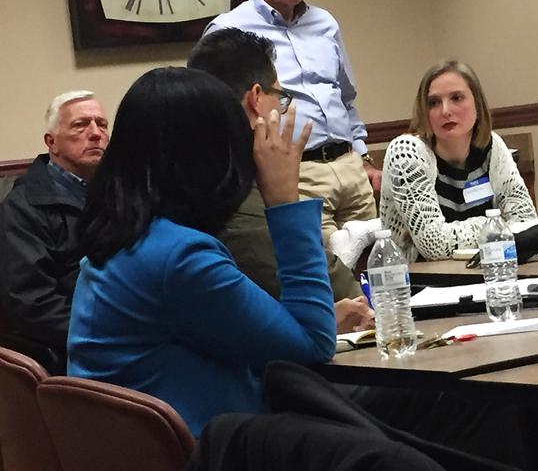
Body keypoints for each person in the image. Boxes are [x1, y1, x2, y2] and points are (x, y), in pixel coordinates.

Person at [67, 67, 336, 437]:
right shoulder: (177, 256)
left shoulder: (124, 242)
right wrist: (284, 199)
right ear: (212, 156)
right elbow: (313, 344)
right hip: (211, 453)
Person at [187, 28, 373, 331]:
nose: (284, 110)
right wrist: (285, 201)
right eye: (281, 97)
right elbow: (323, 308)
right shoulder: (235, 196)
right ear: (257, 99)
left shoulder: (203, 174)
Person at [204, 0, 378, 243]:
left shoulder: (325, 23)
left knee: (377, 268)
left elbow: (345, 96)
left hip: (349, 167)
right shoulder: (230, 29)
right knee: (326, 272)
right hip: (296, 173)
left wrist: (362, 156)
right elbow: (215, 112)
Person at [380, 59, 537, 262]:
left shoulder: (493, 147)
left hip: (488, 271)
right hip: (415, 284)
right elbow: (434, 245)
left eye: (457, 98)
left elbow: (526, 223)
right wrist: (496, 225)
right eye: (433, 103)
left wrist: (456, 233)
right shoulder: (405, 153)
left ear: (477, 105)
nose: (445, 110)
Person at [0, 91, 108, 374]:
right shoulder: (24, 206)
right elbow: (32, 303)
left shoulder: (121, 193)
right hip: (77, 348)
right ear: (51, 143)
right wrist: (107, 333)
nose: (96, 133)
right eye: (80, 125)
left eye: (102, 124)